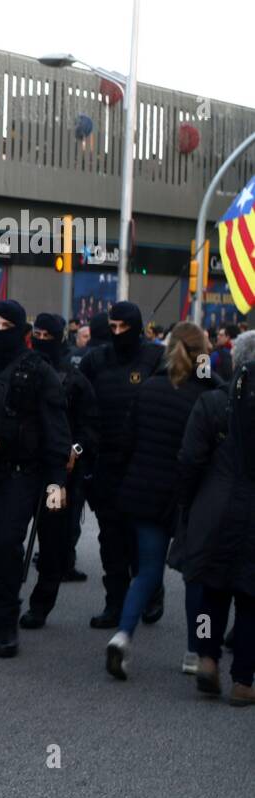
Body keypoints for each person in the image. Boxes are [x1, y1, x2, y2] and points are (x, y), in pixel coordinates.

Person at [104, 323, 219, 679]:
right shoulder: (206, 394)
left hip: (145, 491)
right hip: (189, 496)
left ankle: (123, 635)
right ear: (202, 353)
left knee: (146, 572)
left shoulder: (150, 388)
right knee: (195, 579)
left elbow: (128, 441)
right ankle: (195, 650)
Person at [0, 301, 70, 657]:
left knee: (6, 543)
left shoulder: (39, 371)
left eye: (6, 325)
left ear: (20, 330)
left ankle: (6, 623)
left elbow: (56, 429)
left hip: (21, 473)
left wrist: (56, 482)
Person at [177, 332, 255, 703]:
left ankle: (208, 657)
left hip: (216, 507)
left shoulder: (212, 402)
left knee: (211, 592)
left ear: (235, 360)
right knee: (251, 601)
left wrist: (190, 502)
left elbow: (190, 460)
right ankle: (244, 679)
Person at [79, 301, 165, 628]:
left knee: (140, 538)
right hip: (106, 462)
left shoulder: (157, 357)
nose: (117, 334)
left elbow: (197, 374)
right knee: (111, 540)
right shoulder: (95, 359)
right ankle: (115, 602)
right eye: (111, 327)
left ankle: (151, 593)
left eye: (123, 328)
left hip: (144, 463)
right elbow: (73, 393)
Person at [22, 312, 97, 627]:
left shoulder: (75, 379)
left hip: (59, 475)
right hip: (22, 468)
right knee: (6, 536)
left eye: (46, 336)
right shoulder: (23, 369)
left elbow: (89, 429)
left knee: (53, 541)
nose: (40, 341)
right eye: (35, 334)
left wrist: (75, 451)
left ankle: (41, 604)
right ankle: (0, 601)